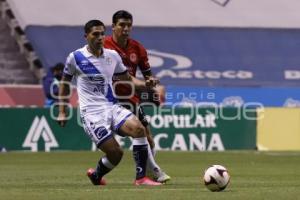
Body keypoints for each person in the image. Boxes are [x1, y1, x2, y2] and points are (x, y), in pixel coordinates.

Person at [57, 19, 162, 186]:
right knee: (115, 153)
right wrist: (62, 110)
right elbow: (64, 83)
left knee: (139, 129)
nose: (100, 37)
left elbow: (127, 78)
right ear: (86, 36)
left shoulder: (112, 56)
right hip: (91, 113)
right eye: (95, 34)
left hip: (112, 107)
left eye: (102, 34)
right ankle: (97, 175)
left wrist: (145, 84)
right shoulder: (75, 57)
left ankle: (141, 178)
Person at [104, 10, 170, 183]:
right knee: (139, 132)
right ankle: (153, 172)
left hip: (131, 97)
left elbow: (147, 74)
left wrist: (150, 81)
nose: (126, 29)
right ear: (113, 27)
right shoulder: (104, 46)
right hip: (111, 99)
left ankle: (147, 172)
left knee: (149, 138)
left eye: (129, 25)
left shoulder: (138, 48)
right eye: (122, 25)